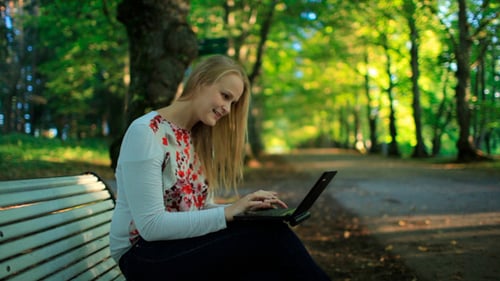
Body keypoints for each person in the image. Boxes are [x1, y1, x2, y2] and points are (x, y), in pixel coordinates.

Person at [109, 54, 331, 281]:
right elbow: (151, 226)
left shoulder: (194, 139)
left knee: (266, 262)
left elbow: (197, 209)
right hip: (142, 256)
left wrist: (241, 210)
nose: (227, 108)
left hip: (177, 247)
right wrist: (227, 213)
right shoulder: (146, 132)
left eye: (232, 103)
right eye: (225, 96)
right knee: (272, 239)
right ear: (201, 81)